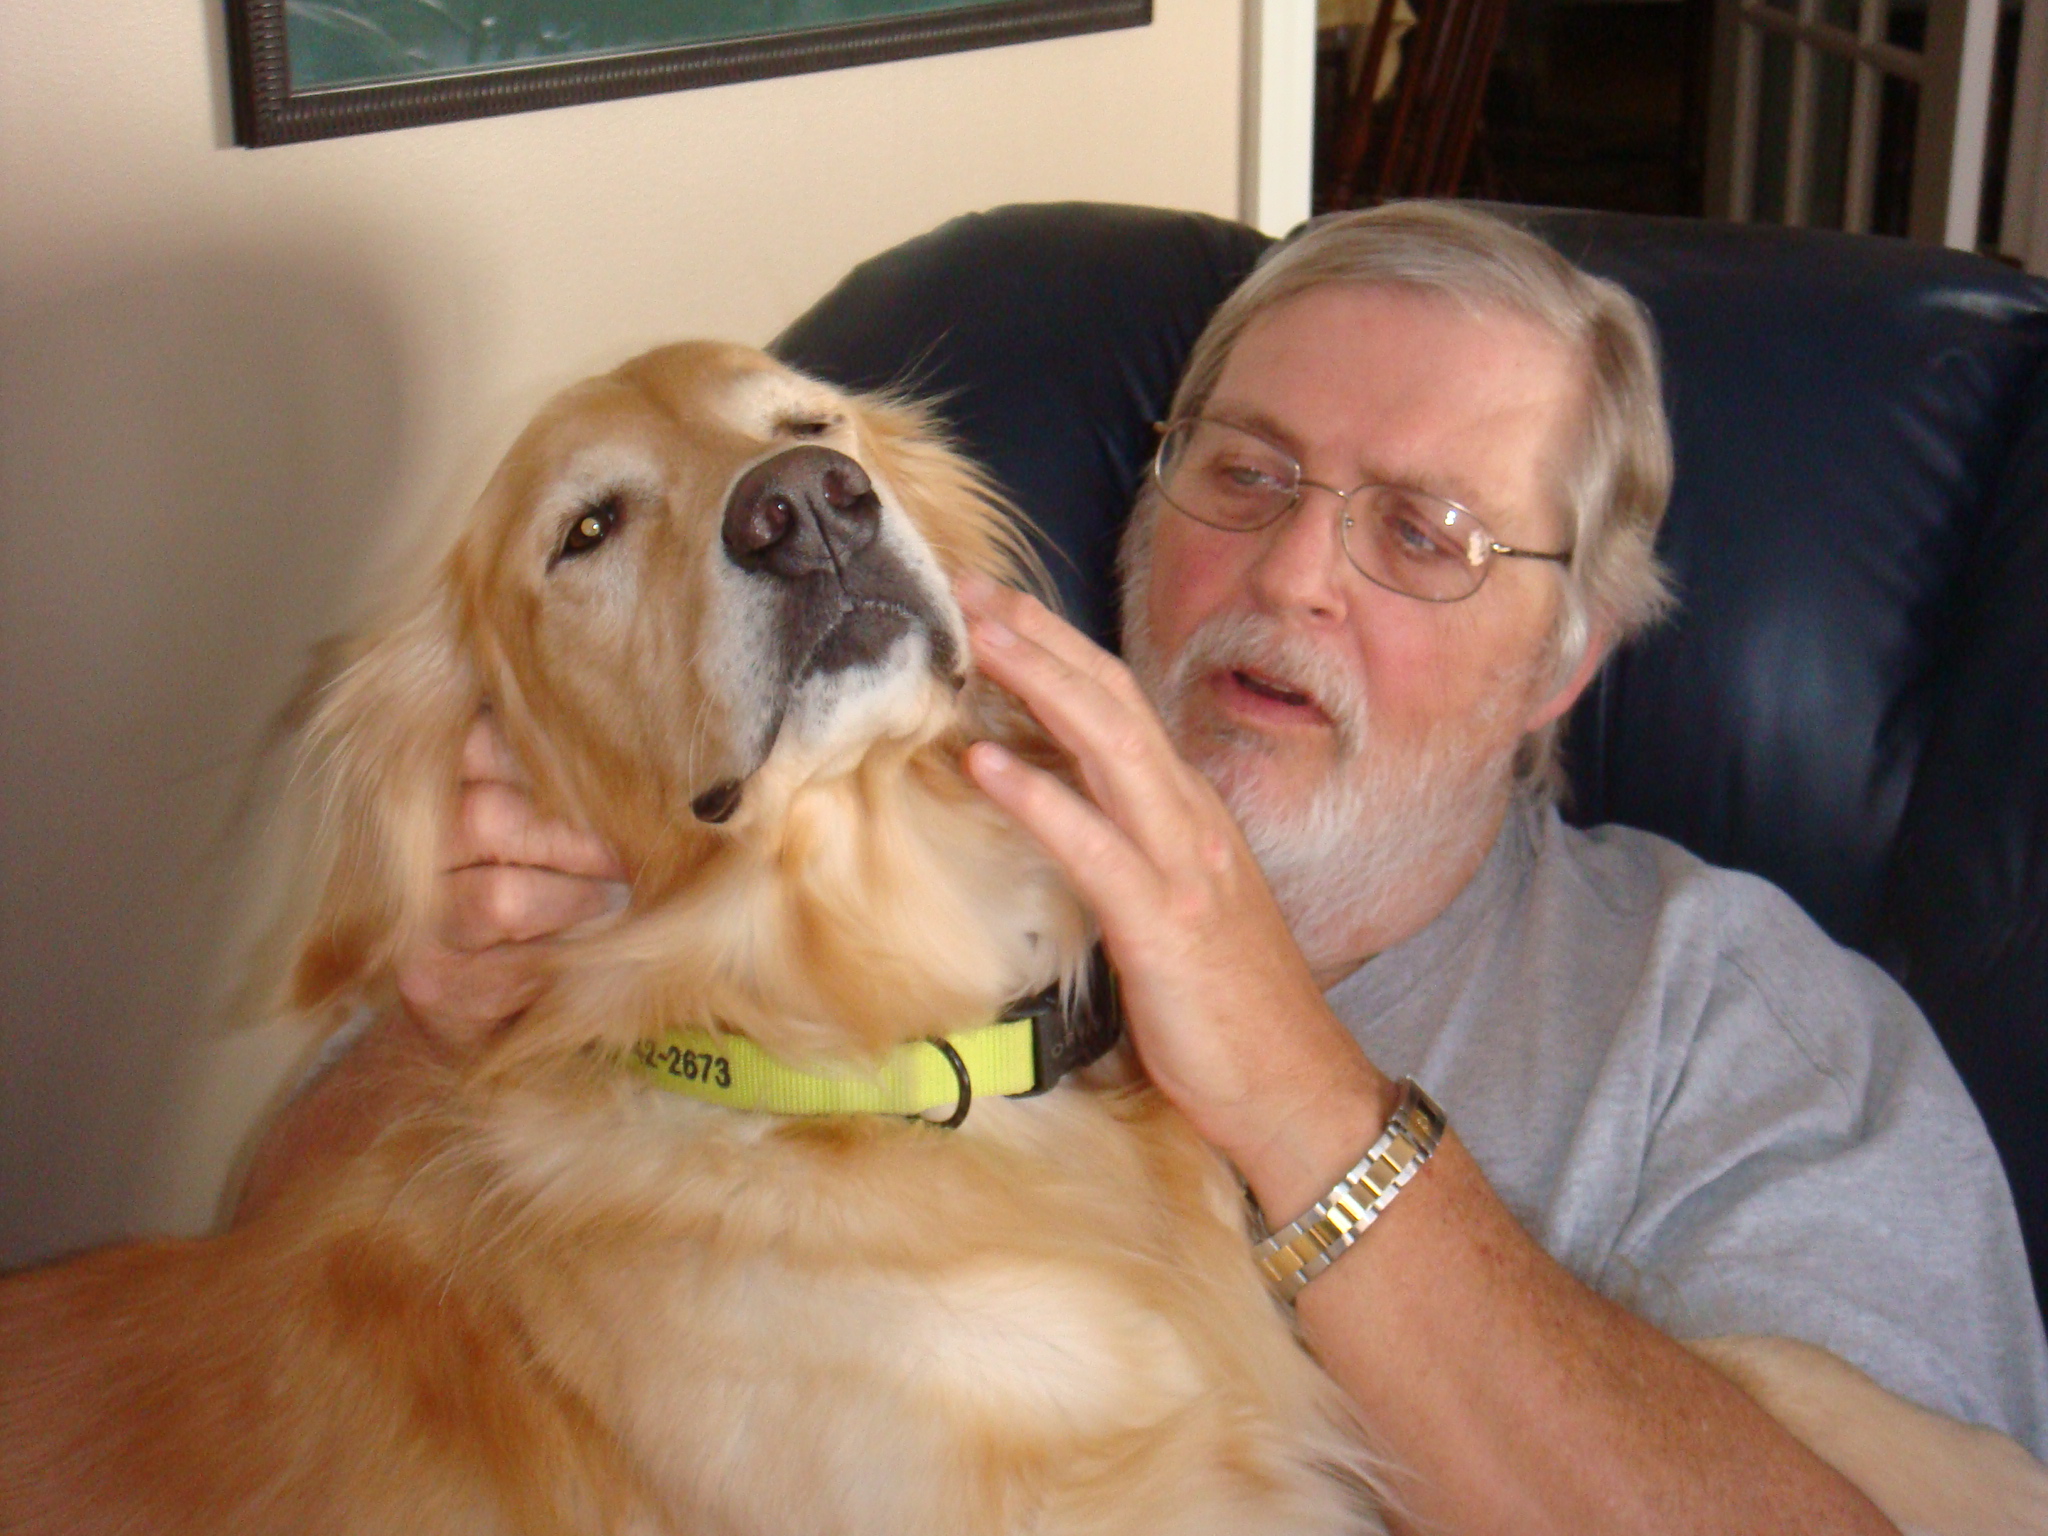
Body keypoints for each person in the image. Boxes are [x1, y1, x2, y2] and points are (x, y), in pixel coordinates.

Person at [244, 203, 2048, 1533]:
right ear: (1133, 517)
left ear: (1563, 665)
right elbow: (274, 1292)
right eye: (1243, 477)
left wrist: (1293, 1090)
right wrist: (463, 1023)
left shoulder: (1743, 1029)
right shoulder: (823, 838)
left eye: (1424, 533)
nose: (1291, 580)